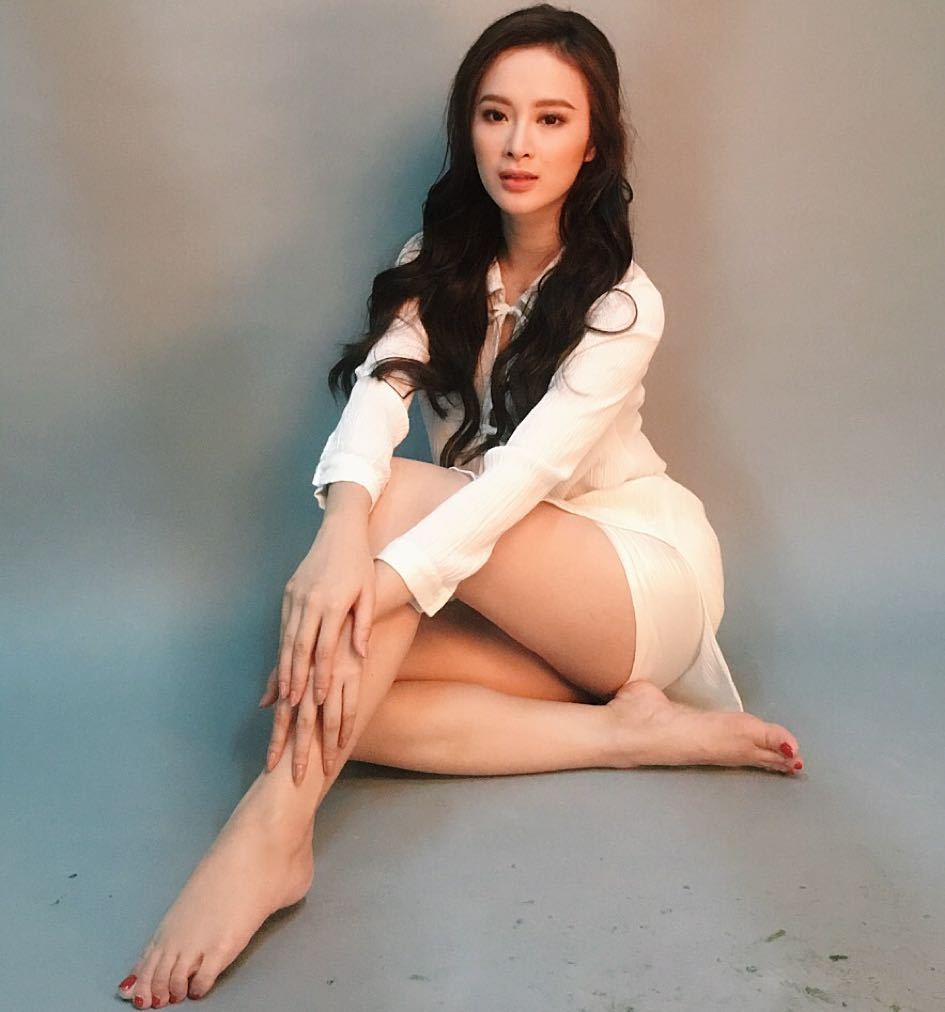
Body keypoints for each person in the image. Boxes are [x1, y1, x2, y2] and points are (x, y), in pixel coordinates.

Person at [116, 4, 803, 1006]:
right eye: (495, 114)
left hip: (633, 579)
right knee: (341, 697)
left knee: (349, 616)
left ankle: (268, 837)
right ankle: (628, 734)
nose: (519, 144)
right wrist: (339, 535)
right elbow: (378, 397)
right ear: (468, 127)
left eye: (552, 119)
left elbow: (518, 481)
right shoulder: (435, 261)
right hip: (501, 575)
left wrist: (369, 579)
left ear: (594, 143)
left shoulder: (622, 302)